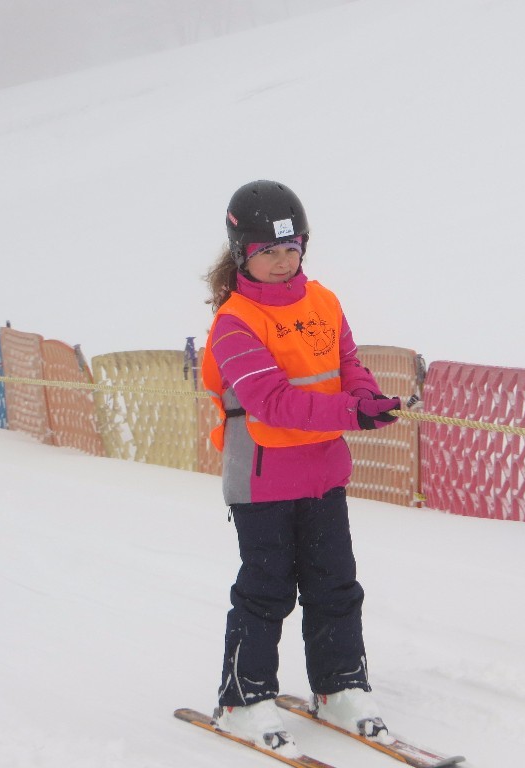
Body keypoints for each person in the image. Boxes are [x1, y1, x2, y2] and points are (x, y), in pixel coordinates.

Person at [201, 180, 401, 757]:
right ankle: (243, 700)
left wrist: (367, 398)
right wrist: (350, 413)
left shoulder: (324, 302)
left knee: (335, 584)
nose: (282, 261)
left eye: (291, 248)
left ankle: (340, 687)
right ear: (242, 254)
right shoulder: (235, 323)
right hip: (261, 478)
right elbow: (272, 402)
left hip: (321, 473)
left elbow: (348, 364)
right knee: (266, 591)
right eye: (268, 251)